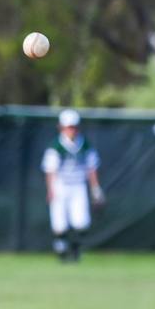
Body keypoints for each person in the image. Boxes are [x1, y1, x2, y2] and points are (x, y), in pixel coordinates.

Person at [43, 107, 104, 263]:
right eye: (69, 127)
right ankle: (61, 250)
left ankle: (75, 251)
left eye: (74, 127)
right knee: (60, 224)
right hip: (61, 186)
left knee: (81, 222)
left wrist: (95, 189)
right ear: (61, 127)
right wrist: (51, 190)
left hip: (78, 185)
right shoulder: (56, 146)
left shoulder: (84, 144)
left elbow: (92, 168)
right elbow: (50, 170)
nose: (72, 130)